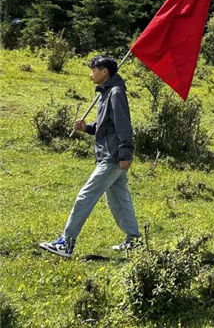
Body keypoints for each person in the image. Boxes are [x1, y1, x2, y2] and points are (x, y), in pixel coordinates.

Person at [39, 56, 141, 258]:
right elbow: (106, 126)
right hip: (110, 154)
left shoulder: (115, 92)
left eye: (94, 70)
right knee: (119, 199)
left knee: (85, 196)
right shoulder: (106, 92)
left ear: (105, 72)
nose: (90, 74)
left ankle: (66, 243)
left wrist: (125, 152)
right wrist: (87, 128)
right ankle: (134, 241)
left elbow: (123, 125)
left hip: (113, 156)